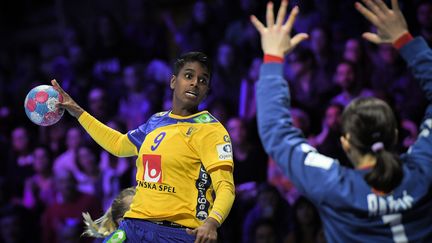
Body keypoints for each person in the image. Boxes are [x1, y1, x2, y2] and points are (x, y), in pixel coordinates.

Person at [251, 0, 432, 241]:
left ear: (345, 144)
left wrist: (273, 57)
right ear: (396, 135)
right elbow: (277, 132)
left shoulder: (334, 186)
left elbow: (276, 132)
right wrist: (405, 41)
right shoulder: (423, 168)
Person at [52, 51, 235, 243]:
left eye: (203, 80)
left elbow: (225, 186)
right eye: (188, 76)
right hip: (134, 226)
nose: (195, 83)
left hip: (178, 233)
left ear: (206, 90)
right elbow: (119, 145)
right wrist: (76, 110)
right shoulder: (156, 121)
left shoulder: (211, 130)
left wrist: (212, 222)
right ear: (173, 81)